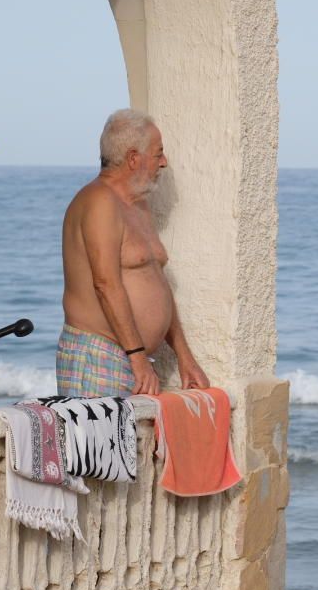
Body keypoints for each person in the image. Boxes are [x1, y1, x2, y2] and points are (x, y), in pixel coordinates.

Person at [57, 109, 209, 397]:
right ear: (133, 158)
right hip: (98, 357)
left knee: (132, 444)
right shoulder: (99, 201)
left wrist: (184, 357)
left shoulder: (137, 206)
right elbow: (105, 284)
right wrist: (137, 356)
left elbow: (157, 282)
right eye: (158, 153)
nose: (163, 162)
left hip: (131, 356)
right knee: (99, 443)